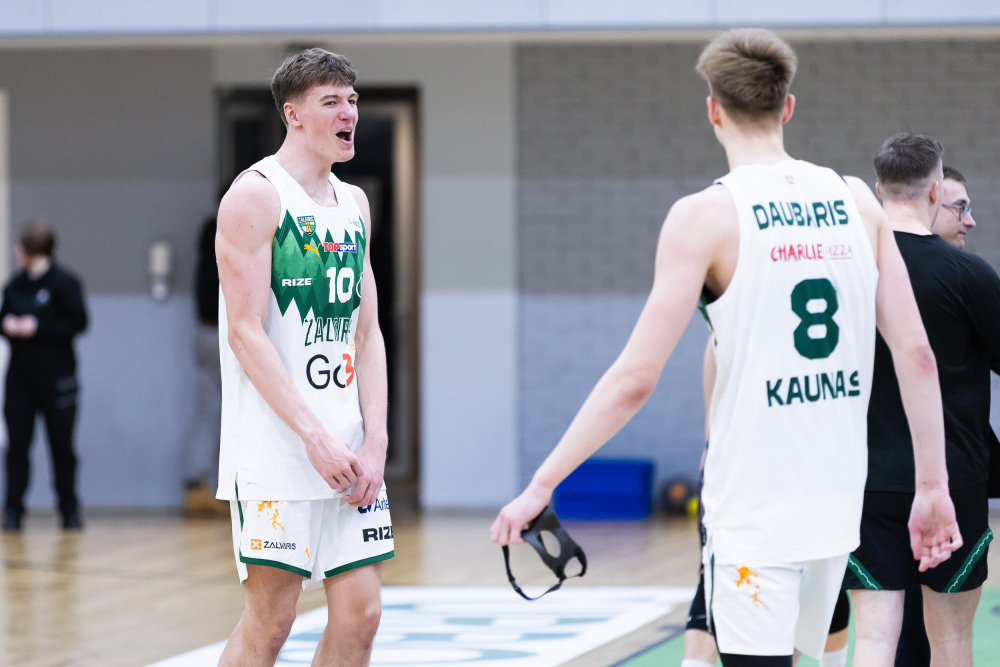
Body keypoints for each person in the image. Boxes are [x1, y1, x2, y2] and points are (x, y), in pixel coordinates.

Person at [491, 29, 961, 666]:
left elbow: (634, 379)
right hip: (836, 507)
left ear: (713, 110)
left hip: (754, 512)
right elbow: (916, 354)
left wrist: (541, 484)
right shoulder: (857, 199)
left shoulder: (704, 217)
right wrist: (933, 486)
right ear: (787, 107)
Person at [215, 49, 393, 666]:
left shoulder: (354, 203)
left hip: (349, 449)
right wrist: (313, 436)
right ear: (293, 115)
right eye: (331, 102)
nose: (349, 113)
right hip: (277, 449)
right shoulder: (255, 196)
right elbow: (244, 332)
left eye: (352, 100)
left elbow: (367, 333)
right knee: (272, 620)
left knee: (362, 614)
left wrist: (376, 439)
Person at [846, 141, 998, 667]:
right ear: (935, 191)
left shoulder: (847, 274)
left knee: (872, 641)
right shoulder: (968, 275)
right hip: (954, 480)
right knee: (950, 640)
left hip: (866, 480)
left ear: (878, 190)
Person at [683, 340, 851, 667]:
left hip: (789, 468)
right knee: (725, 578)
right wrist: (712, 438)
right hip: (764, 469)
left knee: (819, 578)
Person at [2, 221, 88, 531]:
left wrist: (37, 327)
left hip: (57, 379)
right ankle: (13, 511)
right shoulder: (14, 286)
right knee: (17, 448)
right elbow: (3, 318)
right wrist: (9, 326)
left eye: (19, 247)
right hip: (20, 380)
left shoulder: (65, 283)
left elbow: (78, 322)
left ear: (29, 250)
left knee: (62, 447)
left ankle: (69, 510)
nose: (16, 252)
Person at [181, 214, 228, 517]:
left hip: (205, 333)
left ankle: (196, 486)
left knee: (207, 413)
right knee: (242, 412)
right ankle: (228, 488)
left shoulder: (209, 237)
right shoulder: (233, 235)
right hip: (224, 335)